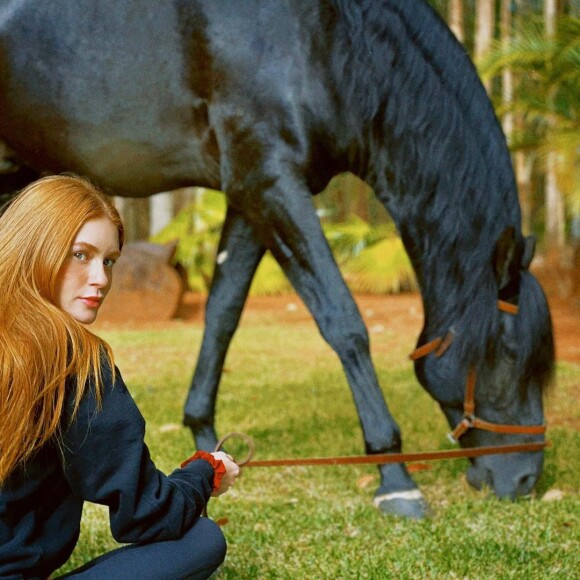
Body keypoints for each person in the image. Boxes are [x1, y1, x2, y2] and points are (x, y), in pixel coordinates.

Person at [0, 175, 240, 579]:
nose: (101, 279)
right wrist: (204, 473)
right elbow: (146, 513)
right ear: (34, 248)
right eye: (81, 255)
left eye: (108, 260)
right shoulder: (74, 360)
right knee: (202, 540)